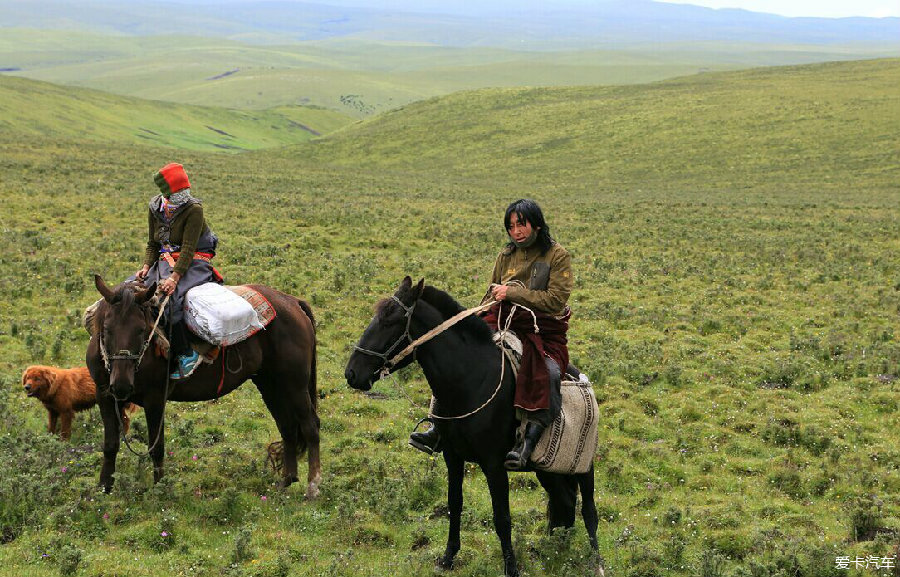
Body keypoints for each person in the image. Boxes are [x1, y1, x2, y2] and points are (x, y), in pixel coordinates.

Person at [409, 199, 573, 470]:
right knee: (456, 357)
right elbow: (491, 293)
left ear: (537, 224)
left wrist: (512, 293)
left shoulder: (556, 255)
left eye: (521, 224)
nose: (516, 231)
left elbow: (555, 300)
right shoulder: (506, 255)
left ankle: (527, 442)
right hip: (500, 319)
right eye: (511, 226)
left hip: (539, 328)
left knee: (550, 372)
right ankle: (437, 426)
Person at [133, 163, 223, 380]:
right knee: (131, 293)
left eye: (185, 191)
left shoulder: (194, 210)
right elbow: (153, 243)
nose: (184, 196)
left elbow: (189, 249)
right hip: (165, 259)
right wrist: (146, 266)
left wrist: (174, 278)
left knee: (172, 301)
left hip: (193, 261)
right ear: (166, 193)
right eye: (178, 192)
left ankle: (186, 352)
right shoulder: (155, 208)